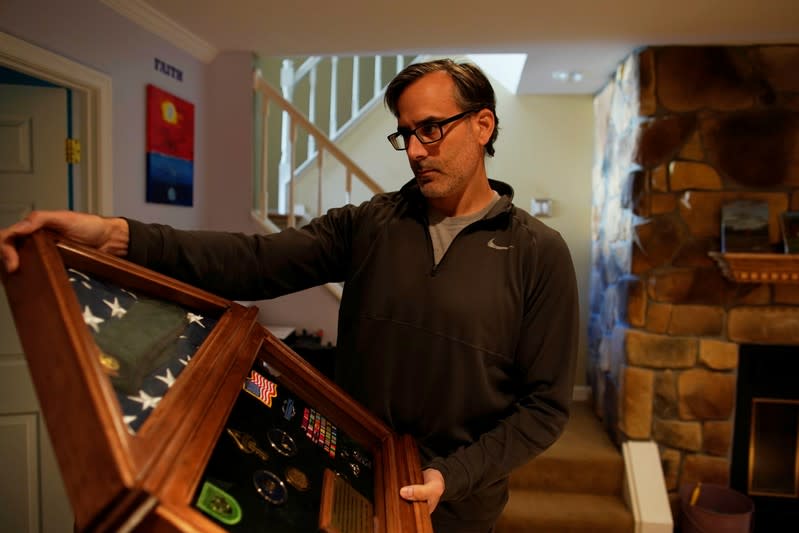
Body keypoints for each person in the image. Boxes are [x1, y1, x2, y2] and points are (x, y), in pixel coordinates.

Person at [0, 58, 579, 533]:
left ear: (483, 125)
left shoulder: (538, 252)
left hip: (456, 508)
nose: (414, 151)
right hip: (351, 484)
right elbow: (252, 261)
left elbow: (545, 409)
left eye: (431, 128)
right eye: (405, 134)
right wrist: (116, 235)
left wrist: (453, 476)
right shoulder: (371, 224)